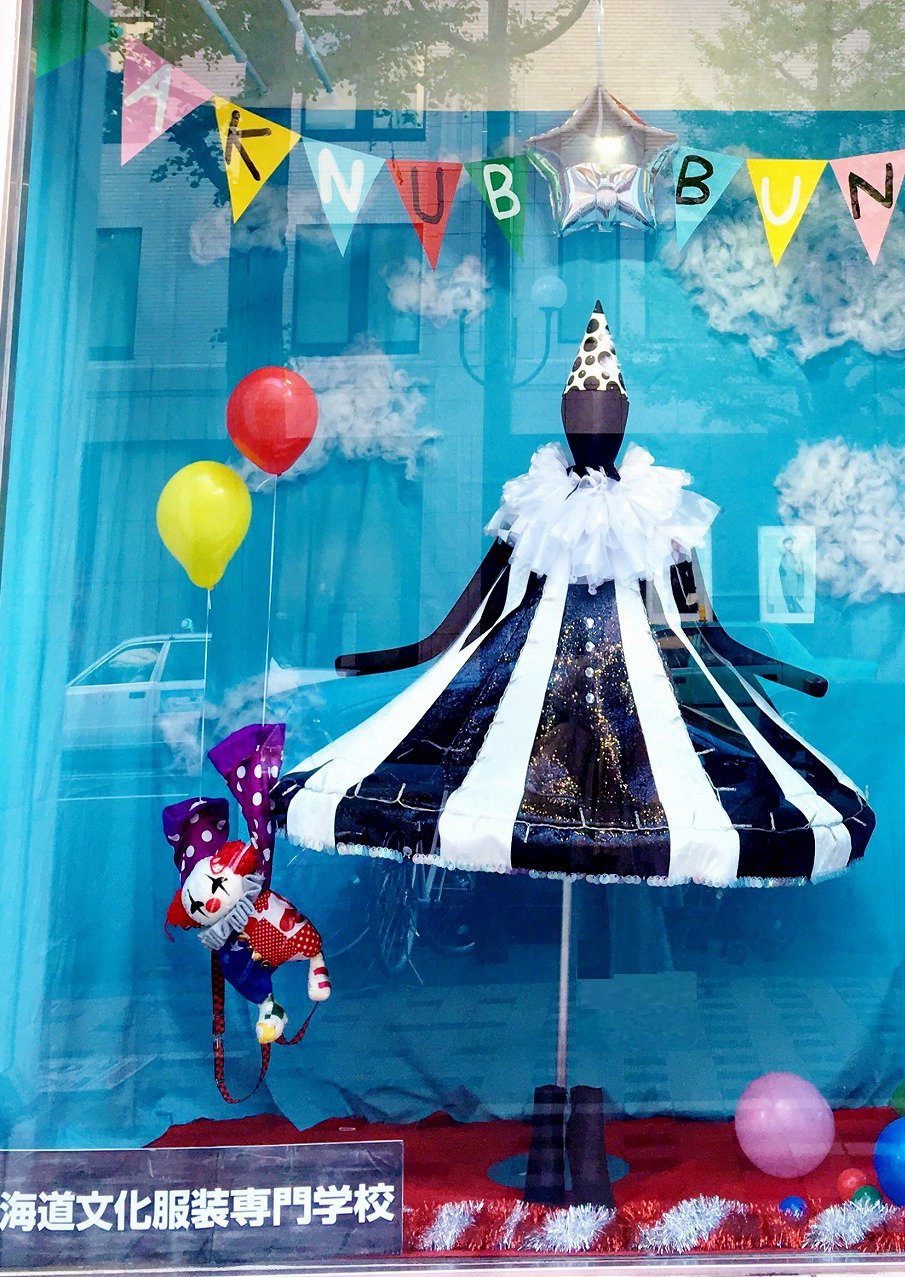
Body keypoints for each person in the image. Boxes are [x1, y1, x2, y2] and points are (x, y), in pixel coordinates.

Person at [274, 302, 874, 1205]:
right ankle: (559, 1125)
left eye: (605, 409)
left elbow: (703, 625)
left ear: (621, 418)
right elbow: (469, 613)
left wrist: (774, 669)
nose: (593, 421)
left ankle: (577, 1125)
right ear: (565, 418)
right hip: (528, 698)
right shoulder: (532, 504)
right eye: (582, 409)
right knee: (533, 820)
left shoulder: (659, 509)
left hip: (634, 719)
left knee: (622, 831)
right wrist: (402, 657)